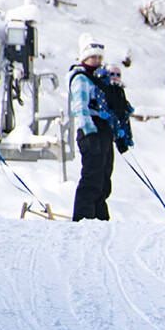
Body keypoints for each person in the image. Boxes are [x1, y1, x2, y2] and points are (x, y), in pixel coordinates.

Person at [68, 34, 134, 221]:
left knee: (105, 177)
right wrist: (90, 132)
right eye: (92, 57)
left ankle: (100, 217)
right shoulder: (81, 78)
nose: (96, 61)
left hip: (104, 131)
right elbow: (79, 108)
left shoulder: (100, 78)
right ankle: (83, 218)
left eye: (99, 57)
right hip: (91, 131)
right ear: (84, 58)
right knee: (92, 176)